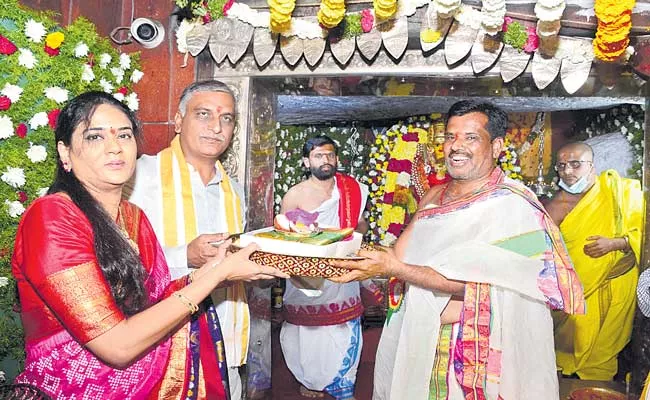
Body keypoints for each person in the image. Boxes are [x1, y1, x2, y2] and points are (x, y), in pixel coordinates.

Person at [11, 91, 288, 399]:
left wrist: (218, 266)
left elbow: (157, 297)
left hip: (143, 385)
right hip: (71, 390)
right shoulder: (52, 217)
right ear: (65, 152)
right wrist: (216, 276)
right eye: (94, 137)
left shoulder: (133, 217)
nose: (114, 147)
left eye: (125, 135)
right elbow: (117, 345)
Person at [331, 100, 585, 400]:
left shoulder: (516, 206)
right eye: (451, 136)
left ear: (498, 146)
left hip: (478, 348)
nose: (456, 146)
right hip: (419, 338)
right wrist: (343, 255)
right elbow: (399, 255)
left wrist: (395, 269)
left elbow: (486, 282)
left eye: (471, 137)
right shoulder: (434, 197)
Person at [128, 80, 251, 399]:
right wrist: (185, 256)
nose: (216, 127)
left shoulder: (234, 191)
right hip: (160, 349)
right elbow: (113, 262)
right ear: (179, 120)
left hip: (224, 343)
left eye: (226, 118)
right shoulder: (139, 176)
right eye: (204, 114)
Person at [279, 135, 381, 400]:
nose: (325, 160)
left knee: (342, 328)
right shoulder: (295, 194)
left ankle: (341, 381)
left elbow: (362, 225)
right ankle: (310, 380)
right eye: (318, 156)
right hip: (306, 276)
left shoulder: (351, 189)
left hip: (342, 270)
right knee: (305, 333)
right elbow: (284, 235)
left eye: (330, 155)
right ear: (306, 161)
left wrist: (348, 234)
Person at [544, 142, 643, 380]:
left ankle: (600, 386)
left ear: (592, 165)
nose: (568, 171)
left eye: (575, 164)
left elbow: (644, 229)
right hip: (576, 289)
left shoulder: (620, 191)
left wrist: (617, 243)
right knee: (569, 346)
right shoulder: (558, 204)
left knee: (603, 352)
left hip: (616, 283)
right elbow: (538, 242)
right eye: (562, 165)